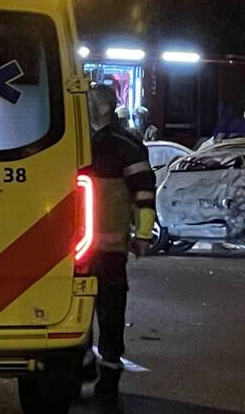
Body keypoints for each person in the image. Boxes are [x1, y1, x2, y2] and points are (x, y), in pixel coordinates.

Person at [87, 84, 157, 402]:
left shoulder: (121, 144)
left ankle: (109, 375)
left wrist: (143, 235)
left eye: (89, 100)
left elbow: (143, 191)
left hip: (108, 245)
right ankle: (84, 368)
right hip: (80, 245)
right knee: (79, 312)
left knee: (110, 312)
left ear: (103, 107)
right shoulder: (81, 137)